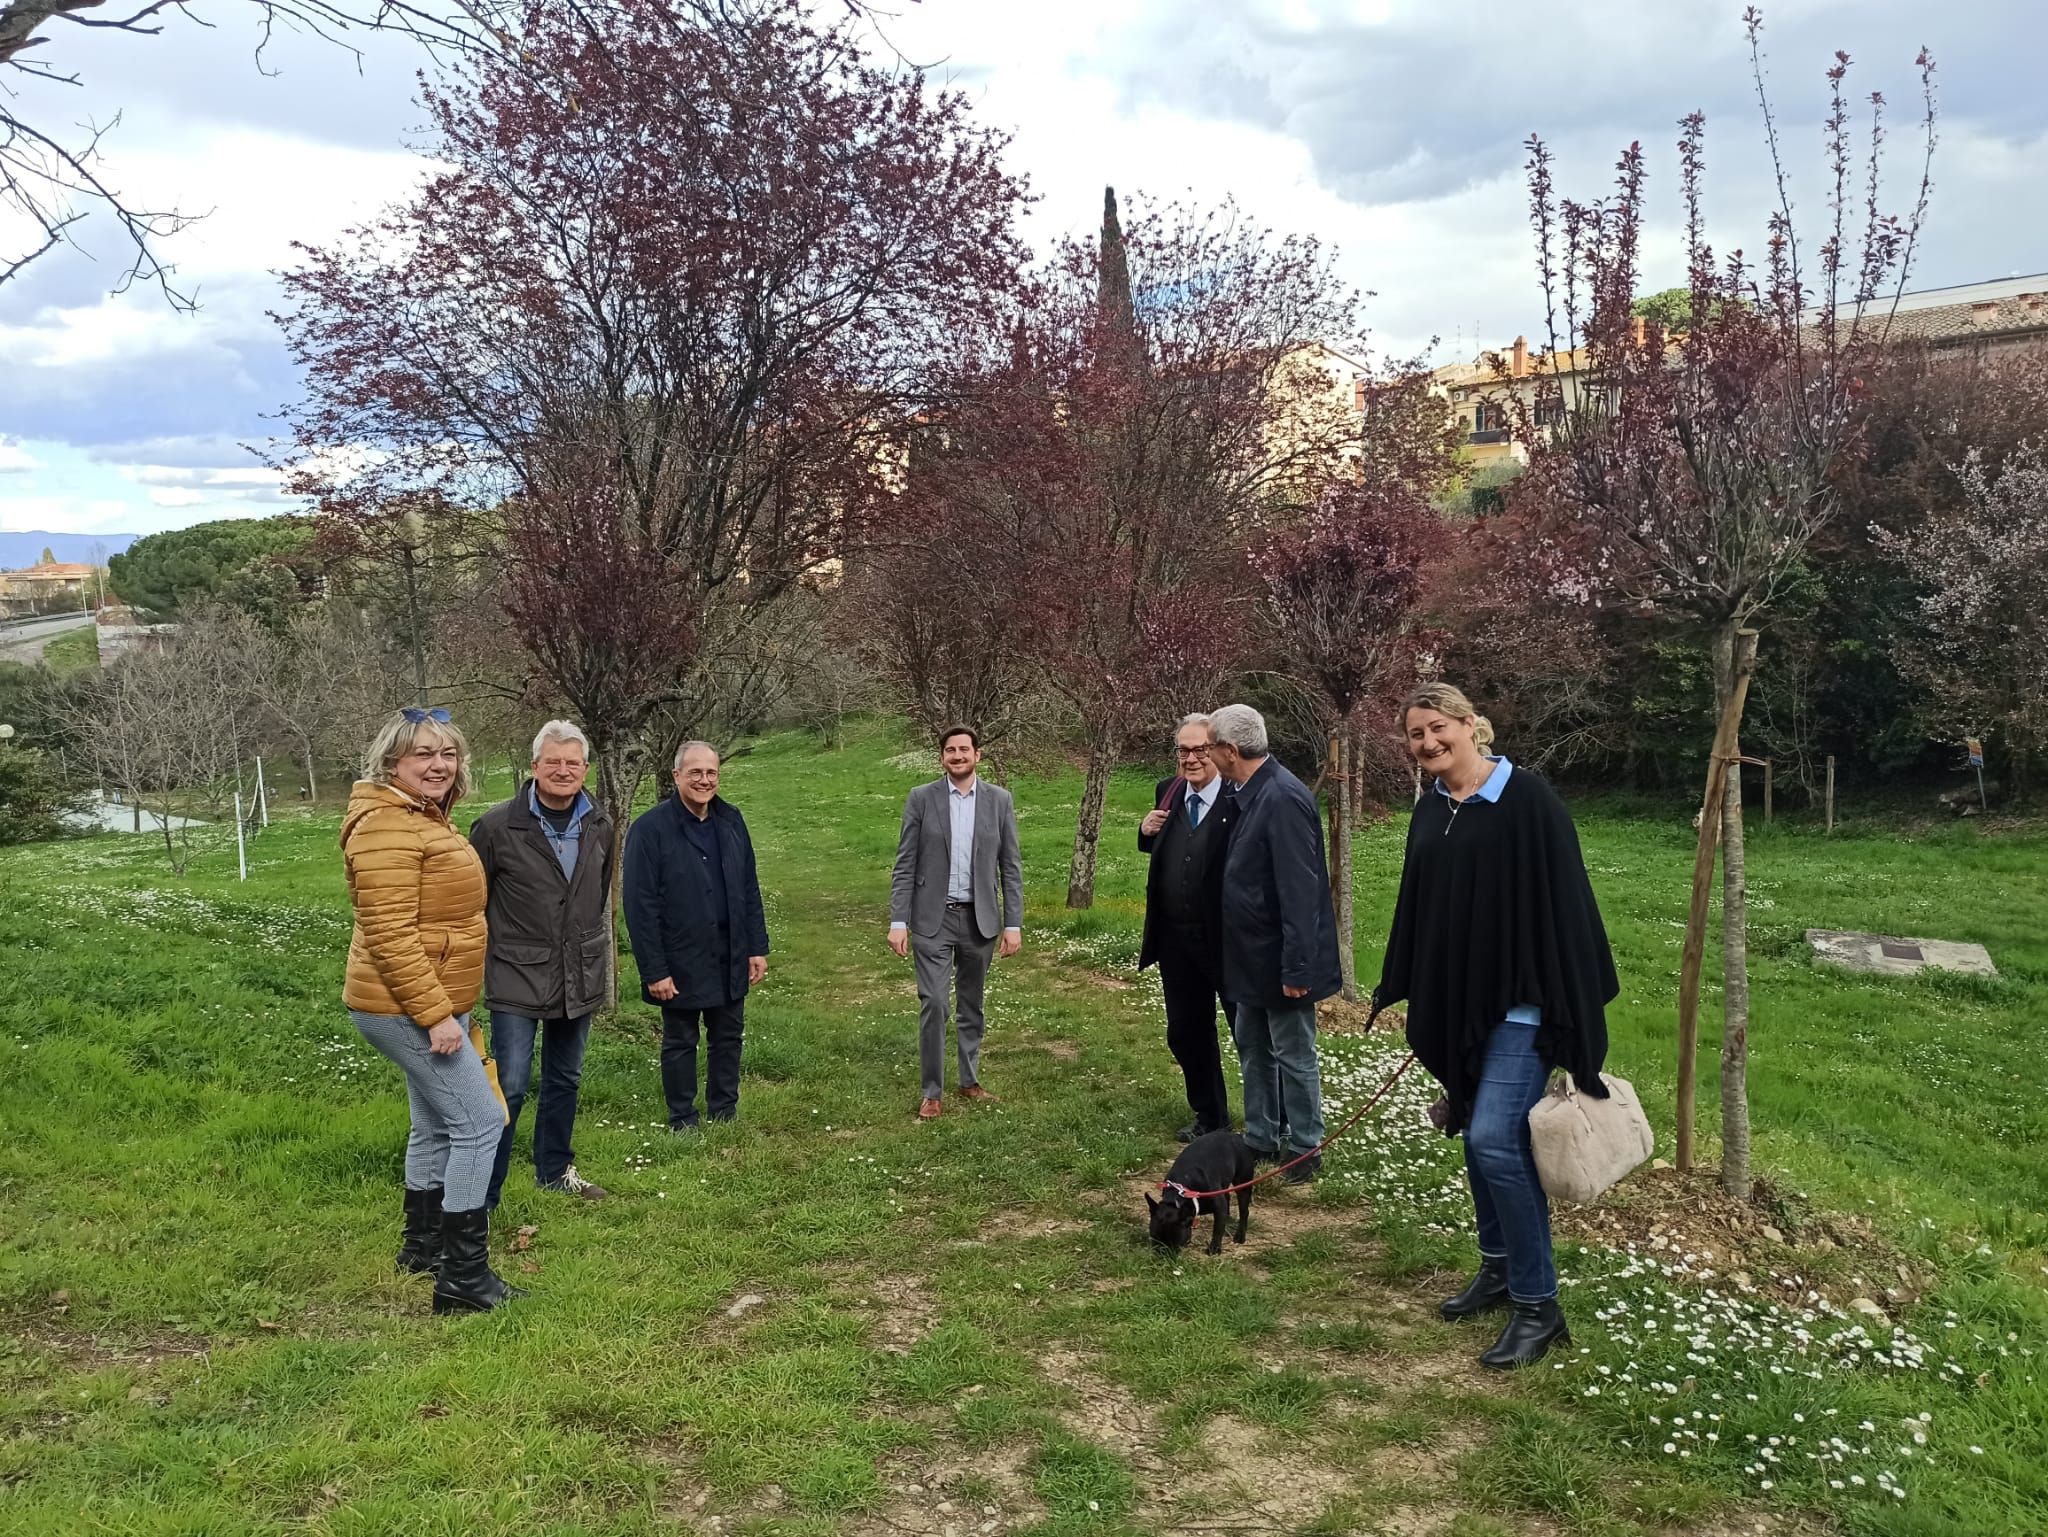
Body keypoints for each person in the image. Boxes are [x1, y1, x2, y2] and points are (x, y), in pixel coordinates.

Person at [1374, 682, 1618, 1370]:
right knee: (1477, 1143)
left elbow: (1567, 902)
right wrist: (1414, 988)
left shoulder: (1528, 800)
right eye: (1416, 734)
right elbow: (1422, 910)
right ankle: (1500, 1268)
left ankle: (1540, 1305)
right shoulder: (1434, 810)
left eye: (1437, 728)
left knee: (1496, 1142)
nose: (1427, 743)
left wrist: (1568, 1008)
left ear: (1469, 724)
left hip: (1522, 1006)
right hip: (1462, 1008)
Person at [340, 706, 518, 1315]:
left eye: (448, 753)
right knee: (480, 1122)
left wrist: (455, 1009)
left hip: (429, 1003)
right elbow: (389, 935)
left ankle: (424, 1248)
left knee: (435, 1123)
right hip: (406, 1007)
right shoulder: (387, 828)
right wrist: (438, 1016)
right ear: (392, 761)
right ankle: (464, 1280)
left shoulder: (418, 818)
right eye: (424, 754)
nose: (440, 765)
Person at [468, 719, 615, 1207]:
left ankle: (554, 1171)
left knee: (565, 1077)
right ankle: (484, 1193)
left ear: (585, 769)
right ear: (534, 767)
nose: (563, 770)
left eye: (572, 763)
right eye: (553, 761)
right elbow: (472, 903)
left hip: (580, 972)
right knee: (508, 1083)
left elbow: (596, 897)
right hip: (516, 972)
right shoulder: (495, 827)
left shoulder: (600, 823)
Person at [1205, 703, 1340, 1185]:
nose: (1208, 755)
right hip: (1248, 957)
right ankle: (1261, 1136)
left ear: (1230, 750)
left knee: (1293, 1054)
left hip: (1281, 959)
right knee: (1252, 1046)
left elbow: (1300, 891)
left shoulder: (1282, 798)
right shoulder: (1248, 791)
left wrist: (1298, 968)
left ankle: (1305, 1147)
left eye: (1211, 747)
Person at [623, 740, 769, 1131]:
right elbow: (640, 906)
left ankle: (724, 1112)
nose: (705, 781)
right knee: (680, 1041)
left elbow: (748, 887)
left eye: (711, 773)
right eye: (696, 773)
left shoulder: (732, 820)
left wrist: (757, 947)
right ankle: (683, 1118)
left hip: (729, 952)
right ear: (676, 777)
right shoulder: (649, 830)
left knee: (728, 1037)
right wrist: (654, 970)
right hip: (679, 956)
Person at [888, 724, 1023, 1119]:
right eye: (951, 750)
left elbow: (1010, 867)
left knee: (971, 1004)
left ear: (977, 755)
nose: (958, 756)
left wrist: (1012, 923)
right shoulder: (921, 799)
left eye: (965, 749)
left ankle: (969, 1080)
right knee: (934, 1002)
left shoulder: (999, 800)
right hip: (932, 919)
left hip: (980, 921)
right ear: (942, 757)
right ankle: (932, 1090)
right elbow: (904, 864)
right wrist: (899, 920)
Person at [1137, 712, 1237, 1142]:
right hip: (1176, 939)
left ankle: (1277, 1121)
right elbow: (1163, 847)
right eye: (1184, 750)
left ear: (1218, 751)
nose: (1191, 759)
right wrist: (1144, 831)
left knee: (1247, 1032)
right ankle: (1210, 1116)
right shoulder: (1169, 790)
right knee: (1185, 1032)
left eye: (1200, 750)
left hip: (1228, 940)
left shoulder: (1240, 795)